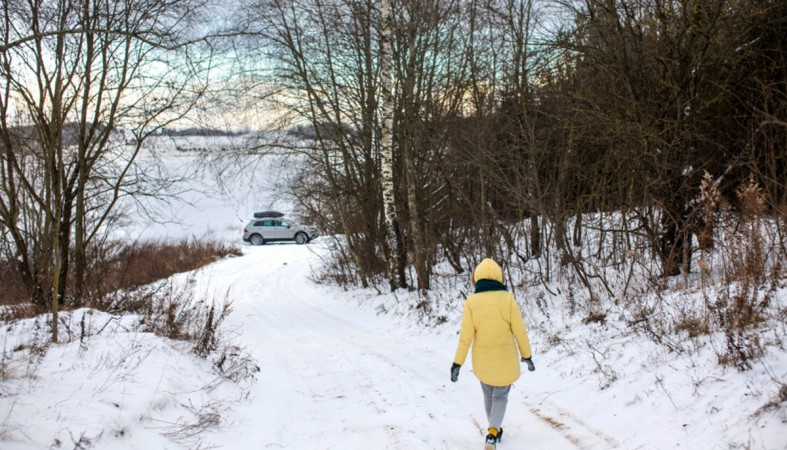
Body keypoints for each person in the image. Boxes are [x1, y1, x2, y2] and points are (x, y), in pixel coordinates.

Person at [451, 258, 535, 450]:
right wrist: (527, 355)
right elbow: (519, 330)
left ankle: (493, 430)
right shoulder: (507, 299)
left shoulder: (471, 301)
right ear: (499, 276)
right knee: (500, 396)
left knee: (488, 395)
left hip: (483, 360)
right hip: (506, 358)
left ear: (476, 278)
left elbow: (465, 337)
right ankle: (492, 433)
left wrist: (457, 363)